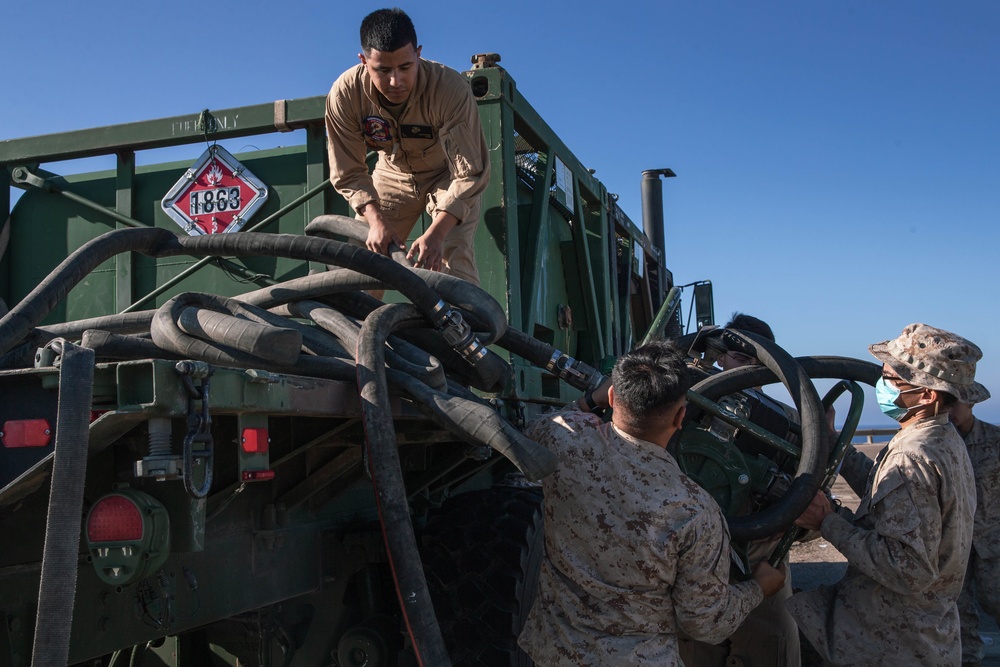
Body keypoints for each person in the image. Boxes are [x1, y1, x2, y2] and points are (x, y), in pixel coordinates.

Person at [518, 340, 786, 666]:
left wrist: (590, 399)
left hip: (553, 654)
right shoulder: (697, 513)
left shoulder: (566, 443)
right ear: (681, 417)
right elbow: (704, 623)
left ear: (614, 396)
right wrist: (759, 587)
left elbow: (537, 428)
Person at [787, 323, 980, 666]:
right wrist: (833, 441)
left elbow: (907, 569)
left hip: (888, 644)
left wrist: (828, 522)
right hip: (919, 636)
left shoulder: (913, 455)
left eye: (892, 378)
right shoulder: (941, 439)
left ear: (927, 395)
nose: (882, 385)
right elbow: (886, 493)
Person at [325, 8, 489, 285]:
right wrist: (376, 222)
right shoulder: (345, 94)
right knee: (360, 263)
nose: (395, 82)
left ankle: (462, 326)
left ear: (419, 54)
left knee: (452, 263)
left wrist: (436, 234)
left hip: (446, 174)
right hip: (392, 173)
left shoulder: (450, 89)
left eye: (405, 67)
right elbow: (349, 171)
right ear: (363, 61)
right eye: (383, 70)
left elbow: (469, 174)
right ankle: (359, 327)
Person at [682, 312, 802, 667]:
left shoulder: (790, 422)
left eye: (760, 363)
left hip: (762, 576)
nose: (749, 370)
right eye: (741, 359)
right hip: (697, 576)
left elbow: (807, 512)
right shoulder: (688, 406)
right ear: (721, 356)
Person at [950, 397, 1000, 667]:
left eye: (955, 404)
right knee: (960, 614)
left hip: (993, 542)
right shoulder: (942, 443)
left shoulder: (995, 440)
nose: (949, 411)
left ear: (970, 404)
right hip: (955, 545)